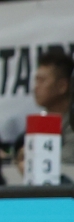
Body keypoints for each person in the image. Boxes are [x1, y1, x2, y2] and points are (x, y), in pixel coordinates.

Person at [32, 46, 74, 179]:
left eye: (42, 81)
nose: (36, 87)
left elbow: (66, 163)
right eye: (36, 80)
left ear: (62, 86)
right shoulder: (41, 121)